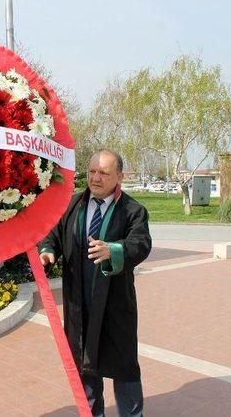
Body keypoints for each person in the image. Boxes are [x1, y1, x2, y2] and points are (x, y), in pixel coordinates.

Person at [39, 149, 152, 417]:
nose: (96, 178)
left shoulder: (133, 211)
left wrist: (113, 250)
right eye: (91, 172)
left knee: (124, 365)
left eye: (104, 173)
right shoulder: (72, 207)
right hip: (79, 304)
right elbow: (52, 235)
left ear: (119, 176)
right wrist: (47, 250)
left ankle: (132, 414)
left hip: (115, 305)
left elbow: (140, 244)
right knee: (85, 363)